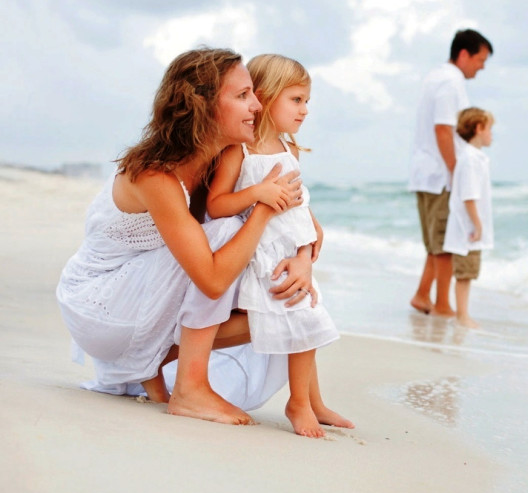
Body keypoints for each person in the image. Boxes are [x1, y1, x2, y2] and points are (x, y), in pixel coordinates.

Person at [56, 47, 318, 427]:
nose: (258, 105)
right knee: (231, 232)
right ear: (205, 105)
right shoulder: (155, 174)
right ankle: (190, 387)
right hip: (98, 304)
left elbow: (303, 222)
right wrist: (263, 208)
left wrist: (304, 257)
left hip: (145, 295)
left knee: (282, 300)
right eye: (243, 95)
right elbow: (211, 280)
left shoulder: (224, 159)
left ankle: (153, 365)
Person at [207, 54, 353, 438]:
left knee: (307, 322)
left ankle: (312, 402)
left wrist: (306, 253)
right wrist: (257, 193)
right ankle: (299, 404)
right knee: (303, 318)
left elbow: (300, 208)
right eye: (297, 100)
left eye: (307, 102)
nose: (305, 110)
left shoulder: (288, 149)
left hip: (290, 254)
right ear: (267, 96)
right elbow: (217, 203)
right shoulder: (242, 150)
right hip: (260, 256)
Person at [408, 28, 493, 317]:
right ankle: (443, 306)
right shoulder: (451, 81)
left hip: (426, 171)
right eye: (481, 59)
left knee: (436, 242)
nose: (482, 66)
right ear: (464, 54)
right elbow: (443, 129)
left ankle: (423, 295)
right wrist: (457, 173)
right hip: (440, 173)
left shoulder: (436, 76)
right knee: (444, 244)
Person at [443, 107, 495, 328]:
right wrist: (477, 224)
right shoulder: (470, 159)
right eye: (490, 129)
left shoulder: (473, 158)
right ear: (479, 128)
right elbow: (469, 196)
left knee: (468, 272)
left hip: (468, 227)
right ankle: (462, 315)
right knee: (464, 273)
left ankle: (463, 314)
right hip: (467, 228)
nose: (492, 135)